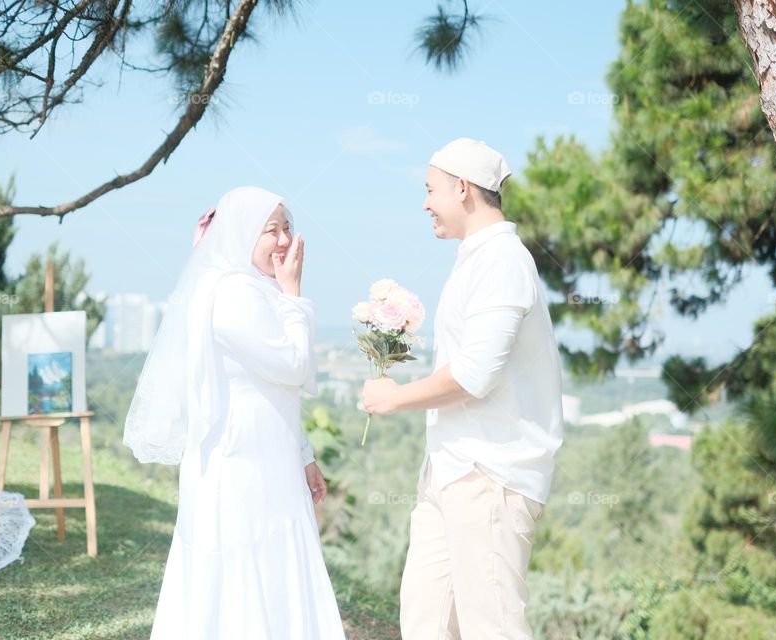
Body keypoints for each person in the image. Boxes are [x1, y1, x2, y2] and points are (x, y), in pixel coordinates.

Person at [361, 138, 564, 639]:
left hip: (491, 475)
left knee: (492, 626)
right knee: (425, 622)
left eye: (431, 190)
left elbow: (476, 375)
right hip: (449, 472)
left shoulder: (503, 261)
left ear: (462, 188)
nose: (425, 203)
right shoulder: (476, 258)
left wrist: (394, 398)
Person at [123, 186, 345, 639]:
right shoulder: (232, 295)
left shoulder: (254, 289)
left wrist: (304, 455)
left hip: (272, 463)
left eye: (288, 227)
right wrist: (295, 295)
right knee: (244, 579)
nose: (284, 240)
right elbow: (293, 364)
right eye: (270, 230)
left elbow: (277, 391)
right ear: (243, 234)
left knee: (276, 570)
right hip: (241, 469)